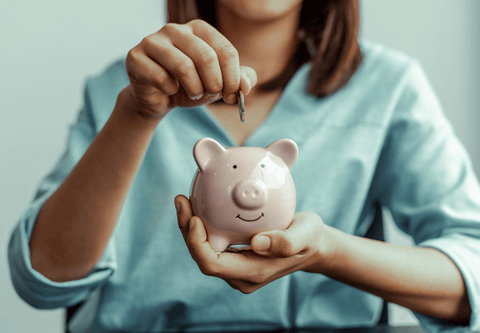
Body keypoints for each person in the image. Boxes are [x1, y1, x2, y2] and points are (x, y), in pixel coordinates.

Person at [8, 0, 480, 332]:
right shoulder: (124, 91)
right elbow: (42, 279)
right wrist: (136, 114)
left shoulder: (389, 86)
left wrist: (328, 251)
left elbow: (472, 270)